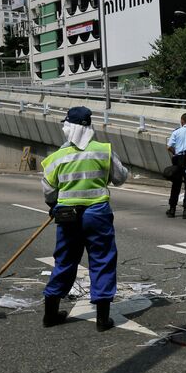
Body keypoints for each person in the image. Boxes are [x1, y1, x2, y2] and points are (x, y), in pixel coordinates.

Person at [41, 106, 129, 332]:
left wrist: (53, 206)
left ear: (68, 127)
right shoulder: (103, 151)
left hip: (67, 216)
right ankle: (102, 319)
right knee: (102, 259)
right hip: (97, 214)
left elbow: (48, 190)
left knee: (65, 260)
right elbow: (120, 177)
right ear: (89, 127)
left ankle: (50, 314)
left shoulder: (58, 157)